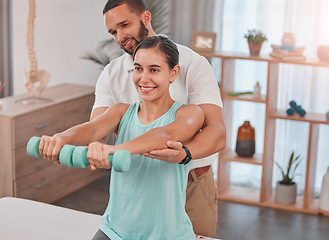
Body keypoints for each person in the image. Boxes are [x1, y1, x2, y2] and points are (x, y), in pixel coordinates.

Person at [39, 36, 204, 239]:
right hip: (115, 230)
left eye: (154, 70)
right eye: (138, 68)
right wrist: (61, 138)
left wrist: (115, 150)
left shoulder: (189, 113)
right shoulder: (120, 111)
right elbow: (92, 128)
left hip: (167, 234)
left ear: (173, 73)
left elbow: (165, 134)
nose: (144, 78)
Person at [92, 0, 226, 237]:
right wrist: (93, 147)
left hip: (191, 183)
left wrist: (184, 154)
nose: (120, 36)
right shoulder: (111, 74)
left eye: (124, 25)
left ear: (146, 17)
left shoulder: (192, 63)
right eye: (113, 31)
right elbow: (97, 127)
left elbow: (216, 133)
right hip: (136, 185)